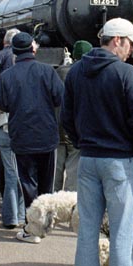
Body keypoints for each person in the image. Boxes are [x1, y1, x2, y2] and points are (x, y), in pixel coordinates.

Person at [62, 17, 133, 266]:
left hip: (89, 158)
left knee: (88, 230)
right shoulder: (126, 73)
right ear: (117, 41)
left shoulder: (76, 71)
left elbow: (66, 118)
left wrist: (83, 142)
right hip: (120, 161)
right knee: (122, 232)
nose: (131, 50)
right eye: (129, 44)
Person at [0, 32, 64, 243]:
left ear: (14, 51)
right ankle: (45, 223)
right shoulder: (47, 71)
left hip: (21, 136)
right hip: (47, 135)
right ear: (33, 49)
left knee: (28, 184)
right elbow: (60, 97)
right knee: (46, 184)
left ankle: (32, 228)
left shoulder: (6, 76)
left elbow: (1, 104)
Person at [0, 29, 24, 227]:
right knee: (18, 175)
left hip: (1, 124)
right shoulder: (12, 61)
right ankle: (18, 216)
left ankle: (12, 216)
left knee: (9, 172)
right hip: (16, 125)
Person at [54, 40, 92, 192]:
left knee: (55, 173)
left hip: (57, 127)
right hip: (77, 130)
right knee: (73, 174)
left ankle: (52, 205)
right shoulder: (88, 75)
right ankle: (69, 207)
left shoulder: (59, 71)